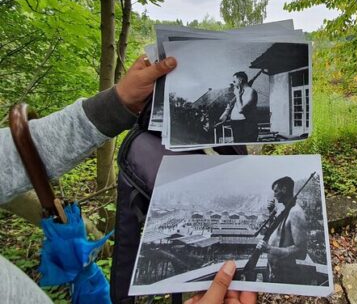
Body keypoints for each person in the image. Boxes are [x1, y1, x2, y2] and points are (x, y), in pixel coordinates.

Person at [0, 55, 256, 304]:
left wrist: (118, 102)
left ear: (241, 81)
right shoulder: (231, 95)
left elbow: (241, 113)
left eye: (235, 82)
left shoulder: (246, 94)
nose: (231, 85)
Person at [256, 176, 308, 284]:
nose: (274, 195)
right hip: (273, 271)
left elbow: (301, 252)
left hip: (285, 276)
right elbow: (276, 233)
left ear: (284, 189)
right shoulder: (284, 209)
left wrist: (269, 249)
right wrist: (271, 212)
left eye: (276, 191)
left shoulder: (296, 213)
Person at [218, 71, 258, 143]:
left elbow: (241, 110)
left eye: (234, 81)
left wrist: (237, 96)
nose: (233, 83)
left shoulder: (251, 91)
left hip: (245, 126)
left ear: (240, 80)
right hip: (237, 125)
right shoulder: (240, 91)